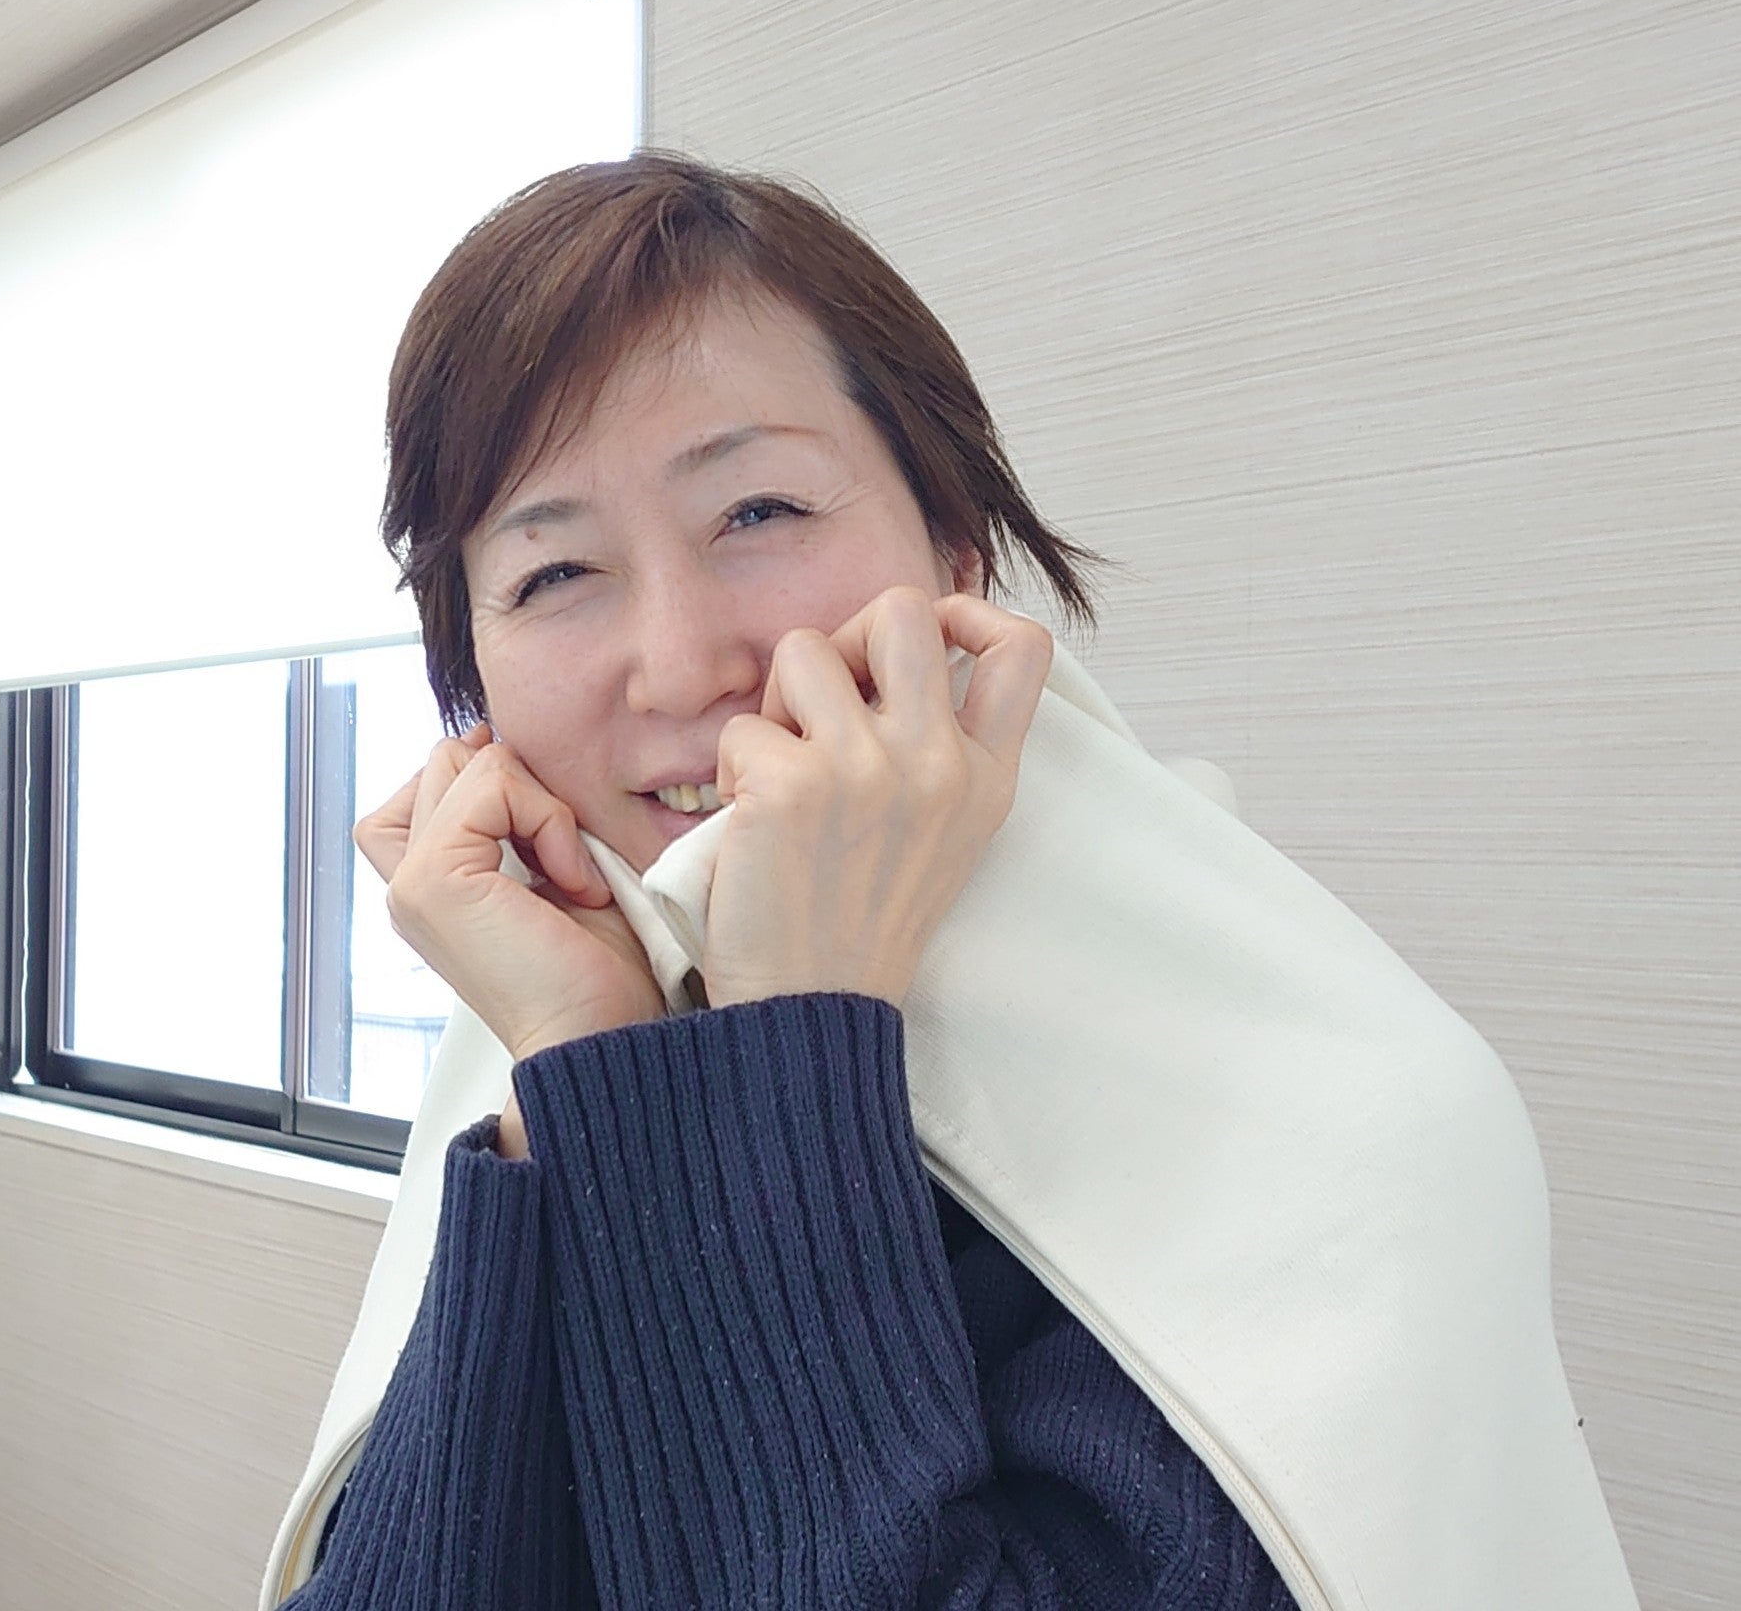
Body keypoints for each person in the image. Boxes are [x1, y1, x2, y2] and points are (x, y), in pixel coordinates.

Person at [279, 151, 1298, 1608]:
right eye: (553, 574)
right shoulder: (541, 1026)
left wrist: (788, 1030)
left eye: (757, 511)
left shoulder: (1245, 1063)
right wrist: (583, 1057)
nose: (680, 664)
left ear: (953, 554)